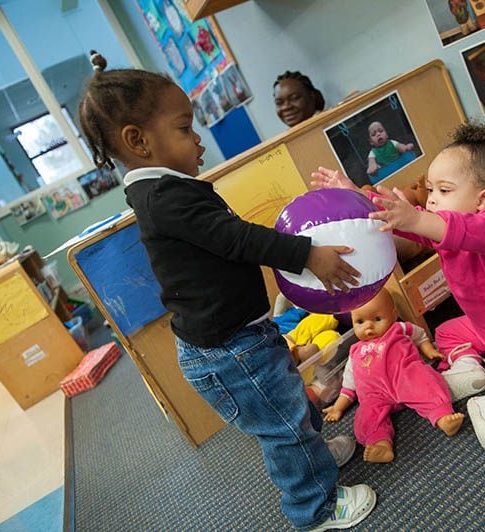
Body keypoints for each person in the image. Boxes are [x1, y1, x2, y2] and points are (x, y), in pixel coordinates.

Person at [77, 52, 376, 531]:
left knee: (293, 408)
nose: (198, 139)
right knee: (283, 425)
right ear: (139, 141)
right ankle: (314, 509)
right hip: (229, 352)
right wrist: (307, 254)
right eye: (183, 129)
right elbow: (238, 240)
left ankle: (315, 463)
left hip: (242, 338)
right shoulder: (165, 199)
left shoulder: (168, 192)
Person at [311, 121, 485, 452]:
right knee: (445, 332)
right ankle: (468, 370)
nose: (431, 201)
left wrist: (416, 220)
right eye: (429, 190)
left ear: (484, 199)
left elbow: (455, 228)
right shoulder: (440, 227)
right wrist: (356, 194)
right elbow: (407, 220)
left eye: (444, 191)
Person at [322, 288, 464, 463]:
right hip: (375, 395)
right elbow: (349, 386)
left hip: (405, 378)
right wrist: (338, 408)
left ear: (393, 314)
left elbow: (420, 336)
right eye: (360, 322)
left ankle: (442, 416)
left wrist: (429, 350)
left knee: (425, 380)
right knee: (365, 415)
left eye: (377, 319)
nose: (368, 326)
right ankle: (380, 444)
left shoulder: (398, 328)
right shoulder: (354, 352)